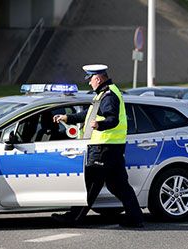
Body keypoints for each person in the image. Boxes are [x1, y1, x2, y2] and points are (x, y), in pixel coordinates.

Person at [51, 64, 144, 228]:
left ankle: (73, 218)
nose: (89, 83)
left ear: (98, 78)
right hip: (111, 147)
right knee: (118, 185)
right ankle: (135, 217)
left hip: (104, 147)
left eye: (90, 79)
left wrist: (100, 126)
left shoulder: (108, 95)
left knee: (91, 183)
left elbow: (112, 119)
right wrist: (67, 117)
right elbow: (88, 115)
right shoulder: (103, 93)